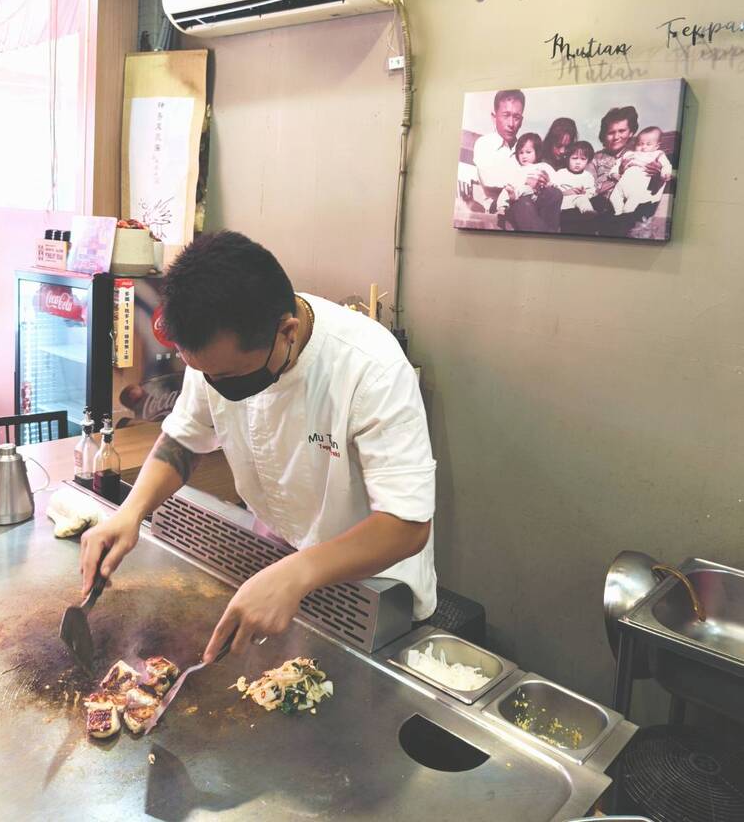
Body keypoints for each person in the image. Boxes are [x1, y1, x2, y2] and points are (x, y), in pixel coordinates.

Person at [80, 231, 437, 661]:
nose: (214, 384)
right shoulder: (216, 346)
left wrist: (299, 571)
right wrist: (131, 512)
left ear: (287, 332)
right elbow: (184, 439)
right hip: (278, 554)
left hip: (372, 586)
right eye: (202, 371)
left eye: (229, 376)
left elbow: (408, 524)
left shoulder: (371, 369)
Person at [472, 89, 561, 231]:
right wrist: (527, 179)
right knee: (523, 203)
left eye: (516, 117)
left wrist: (543, 180)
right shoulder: (485, 143)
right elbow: (489, 180)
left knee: (554, 194)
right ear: (494, 117)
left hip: (530, 196)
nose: (511, 123)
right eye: (506, 115)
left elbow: (538, 170)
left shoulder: (524, 147)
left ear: (522, 120)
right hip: (501, 203)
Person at [609, 126, 672, 215]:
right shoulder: (630, 154)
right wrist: (613, 173)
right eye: (639, 144)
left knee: (631, 204)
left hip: (638, 185)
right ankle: (618, 213)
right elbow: (618, 163)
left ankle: (625, 216)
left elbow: (666, 165)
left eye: (648, 144)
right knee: (614, 198)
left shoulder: (657, 154)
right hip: (623, 183)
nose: (643, 147)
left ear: (657, 146)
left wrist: (665, 173)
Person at [495, 132, 555, 217]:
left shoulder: (542, 166)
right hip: (516, 193)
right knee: (506, 190)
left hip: (533, 194)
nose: (524, 156)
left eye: (528, 152)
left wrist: (549, 183)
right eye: (521, 152)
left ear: (537, 152)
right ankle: (501, 208)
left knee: (525, 188)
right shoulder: (518, 168)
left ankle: (514, 196)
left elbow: (554, 179)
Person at [554, 141, 598, 234]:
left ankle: (589, 215)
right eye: (574, 158)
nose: (578, 162)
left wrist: (585, 193)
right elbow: (554, 191)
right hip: (563, 203)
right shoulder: (561, 173)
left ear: (588, 161)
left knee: (582, 199)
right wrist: (567, 192)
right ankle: (588, 213)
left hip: (580, 205)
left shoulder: (588, 176)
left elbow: (592, 192)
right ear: (567, 158)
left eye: (583, 159)